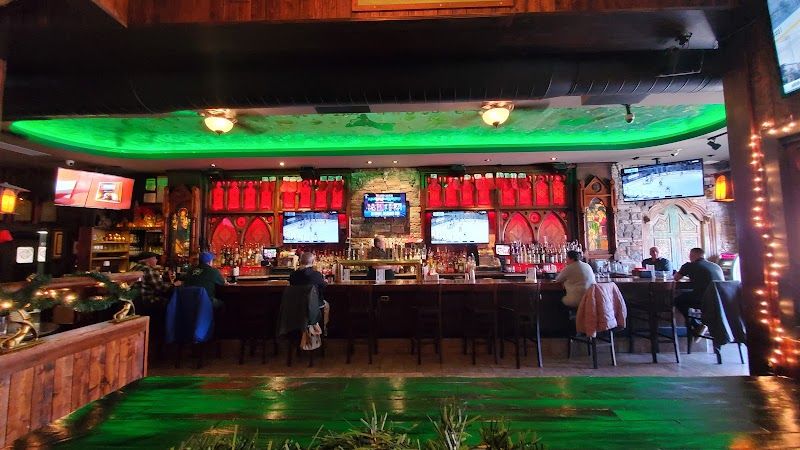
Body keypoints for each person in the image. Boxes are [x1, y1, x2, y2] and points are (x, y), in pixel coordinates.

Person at [674, 247, 724, 339]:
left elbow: (676, 278)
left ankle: (695, 325)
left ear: (692, 255)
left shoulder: (689, 266)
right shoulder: (716, 266)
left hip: (704, 300)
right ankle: (700, 324)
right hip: (720, 302)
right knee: (688, 296)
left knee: (677, 300)